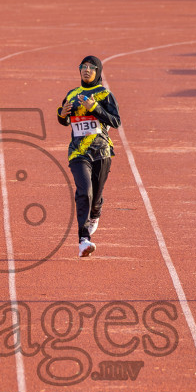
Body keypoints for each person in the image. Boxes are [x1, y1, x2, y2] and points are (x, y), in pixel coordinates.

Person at [57, 55, 121, 258]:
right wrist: (61, 114)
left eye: (91, 67)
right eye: (83, 66)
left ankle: (95, 211)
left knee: (95, 196)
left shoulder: (104, 94)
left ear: (98, 71)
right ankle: (83, 240)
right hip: (78, 152)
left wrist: (95, 108)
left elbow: (116, 121)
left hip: (101, 151)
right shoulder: (72, 94)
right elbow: (65, 120)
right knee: (84, 191)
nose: (86, 70)